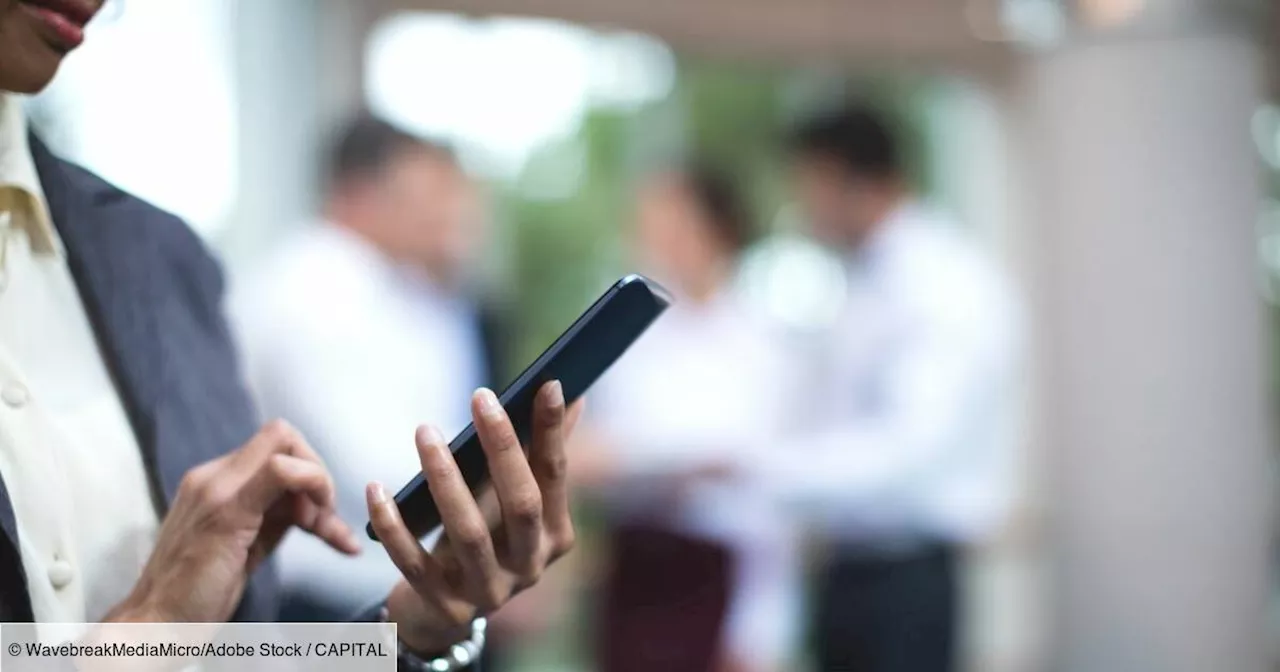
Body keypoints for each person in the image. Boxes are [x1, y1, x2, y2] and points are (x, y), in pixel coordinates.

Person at [0, 2, 576, 669]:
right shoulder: (310, 291)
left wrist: (408, 633)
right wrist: (150, 628)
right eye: (431, 193)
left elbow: (245, 653)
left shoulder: (165, 262)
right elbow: (379, 469)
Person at [773, 106, 1020, 672]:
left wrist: (766, 468)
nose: (802, 202)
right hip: (854, 571)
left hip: (905, 580)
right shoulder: (865, 277)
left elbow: (908, 448)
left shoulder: (941, 279)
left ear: (847, 178)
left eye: (807, 182)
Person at [231, 115, 506, 624]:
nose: (434, 214)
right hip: (327, 603)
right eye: (417, 195)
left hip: (357, 592)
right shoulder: (318, 292)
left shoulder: (380, 288)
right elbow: (381, 467)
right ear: (361, 192)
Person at [574, 166, 800, 672]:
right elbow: (590, 455)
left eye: (673, 225)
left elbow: (763, 485)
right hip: (636, 565)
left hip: (721, 572)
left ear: (718, 231)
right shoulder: (629, 338)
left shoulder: (760, 342)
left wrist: (762, 627)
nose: (655, 241)